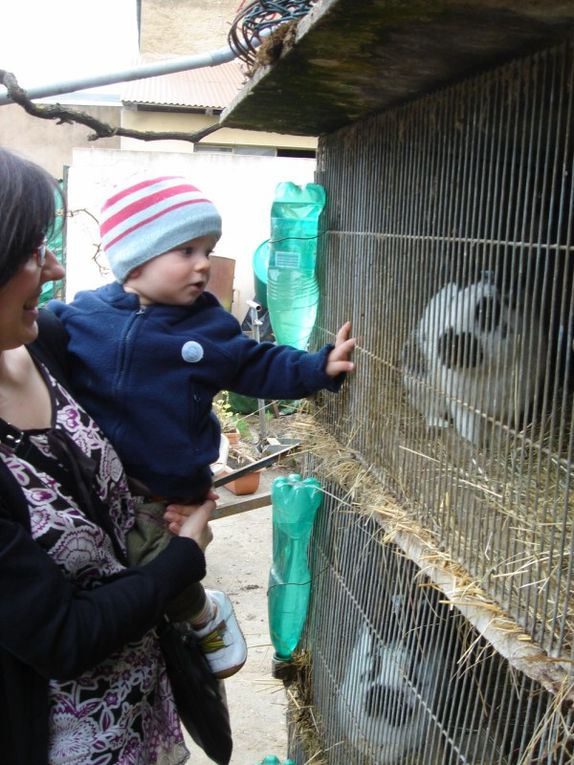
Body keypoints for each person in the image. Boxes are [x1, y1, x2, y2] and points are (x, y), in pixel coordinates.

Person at [49, 173, 356, 679]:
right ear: (136, 257)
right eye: (186, 250)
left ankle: (203, 614)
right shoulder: (84, 314)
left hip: (165, 491)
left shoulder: (207, 325)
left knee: (154, 563)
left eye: (207, 250)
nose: (203, 265)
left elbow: (255, 364)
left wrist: (316, 369)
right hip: (98, 484)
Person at [0, 147, 215, 765]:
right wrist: (182, 560)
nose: (58, 268)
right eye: (31, 252)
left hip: (144, 708)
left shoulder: (46, 342)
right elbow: (61, 637)